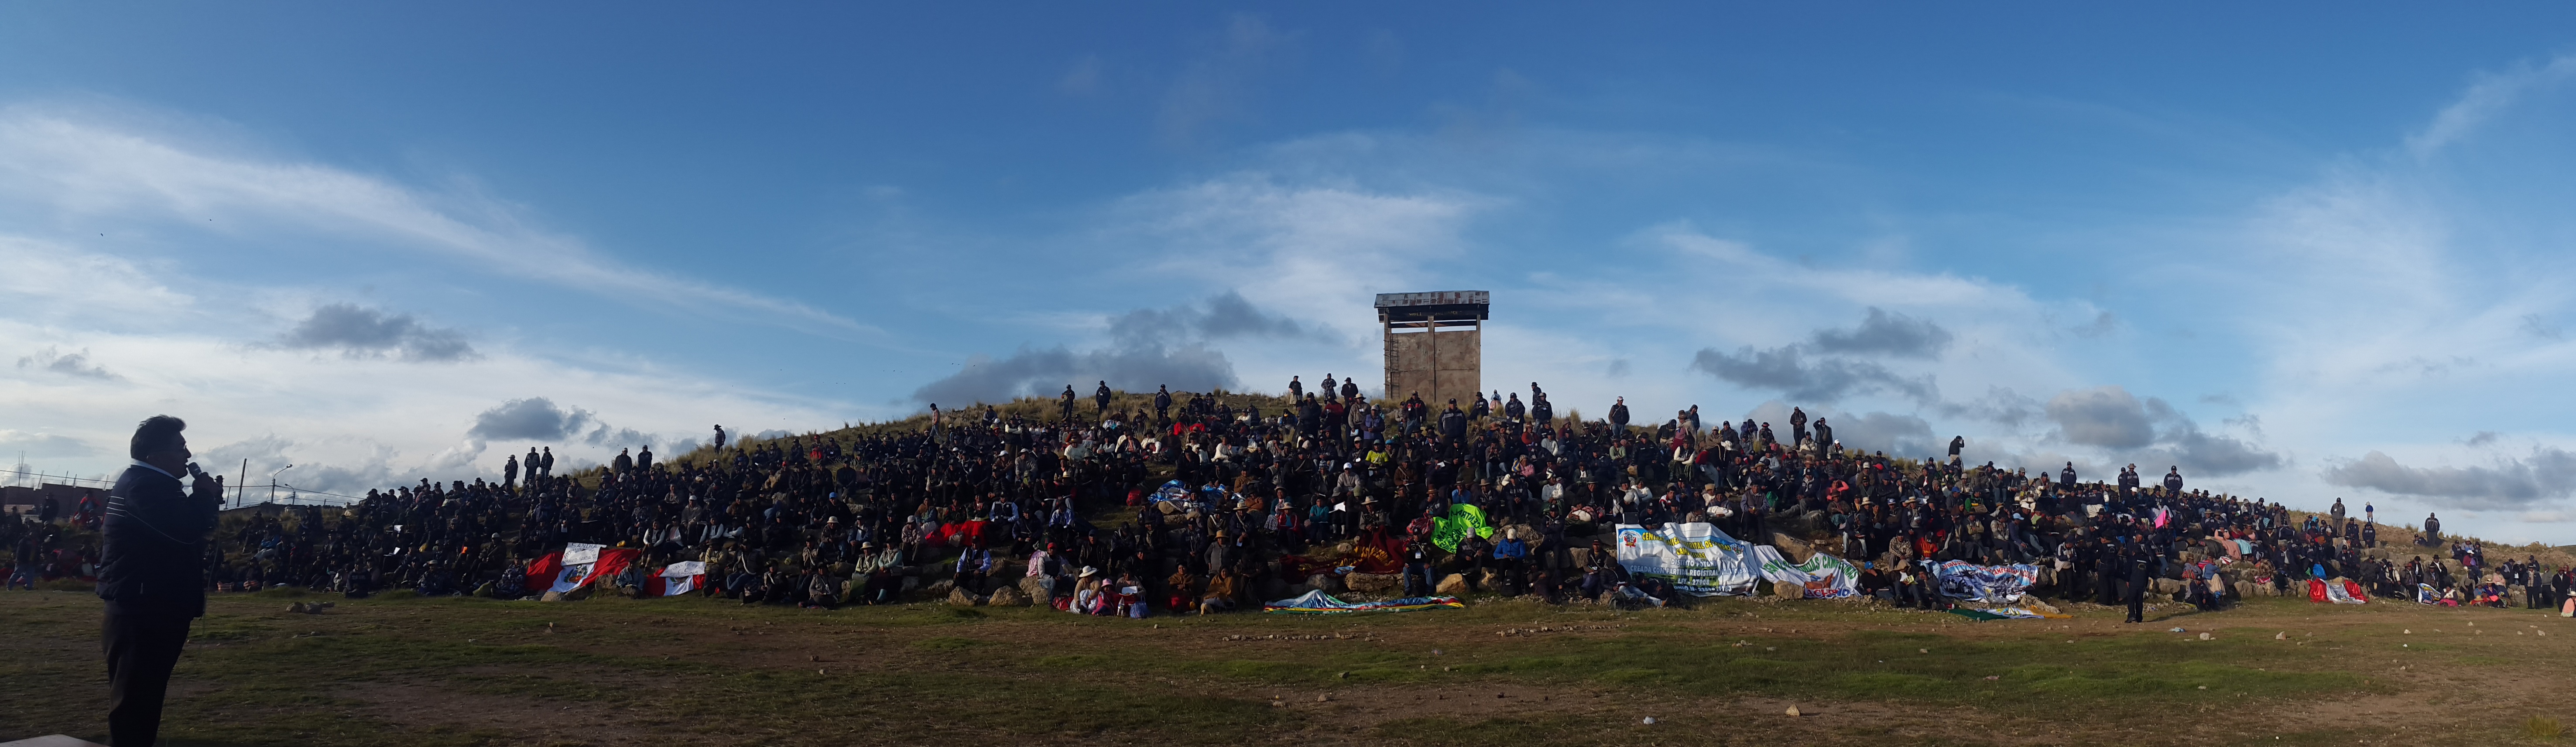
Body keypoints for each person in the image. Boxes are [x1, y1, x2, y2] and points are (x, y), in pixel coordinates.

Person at [99, 415, 222, 747]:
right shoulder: (145, 486)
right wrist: (202, 496)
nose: (188, 454)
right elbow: (183, 531)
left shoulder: (155, 485)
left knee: (144, 697)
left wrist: (204, 500)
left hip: (152, 604)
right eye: (181, 447)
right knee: (136, 701)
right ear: (155, 455)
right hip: (144, 609)